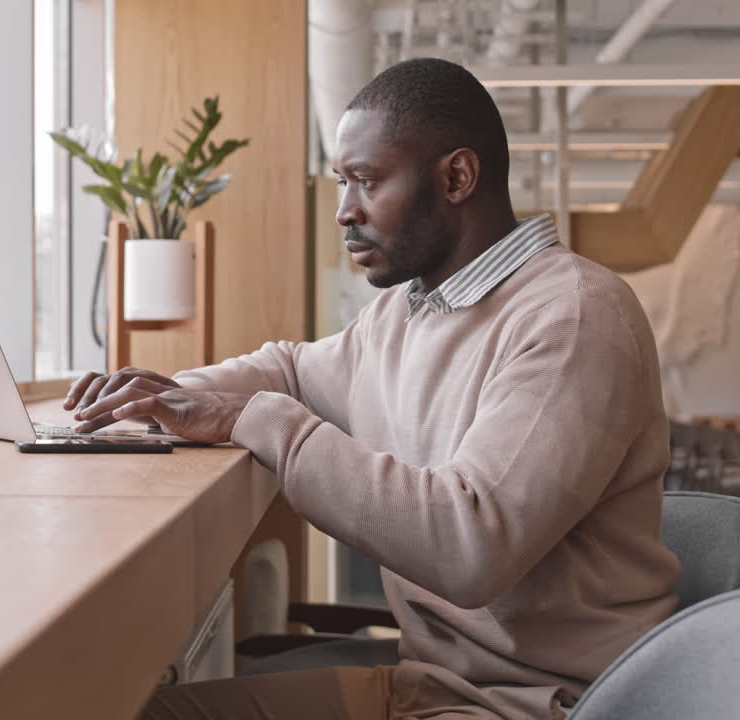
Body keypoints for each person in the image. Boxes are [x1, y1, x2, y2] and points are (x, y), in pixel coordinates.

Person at [64, 58, 680, 720]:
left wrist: (259, 420)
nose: (344, 211)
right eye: (340, 182)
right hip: (430, 686)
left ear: (456, 177)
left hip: (540, 707)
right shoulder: (410, 312)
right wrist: (164, 397)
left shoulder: (576, 314)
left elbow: (470, 546)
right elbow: (294, 369)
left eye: (365, 181)